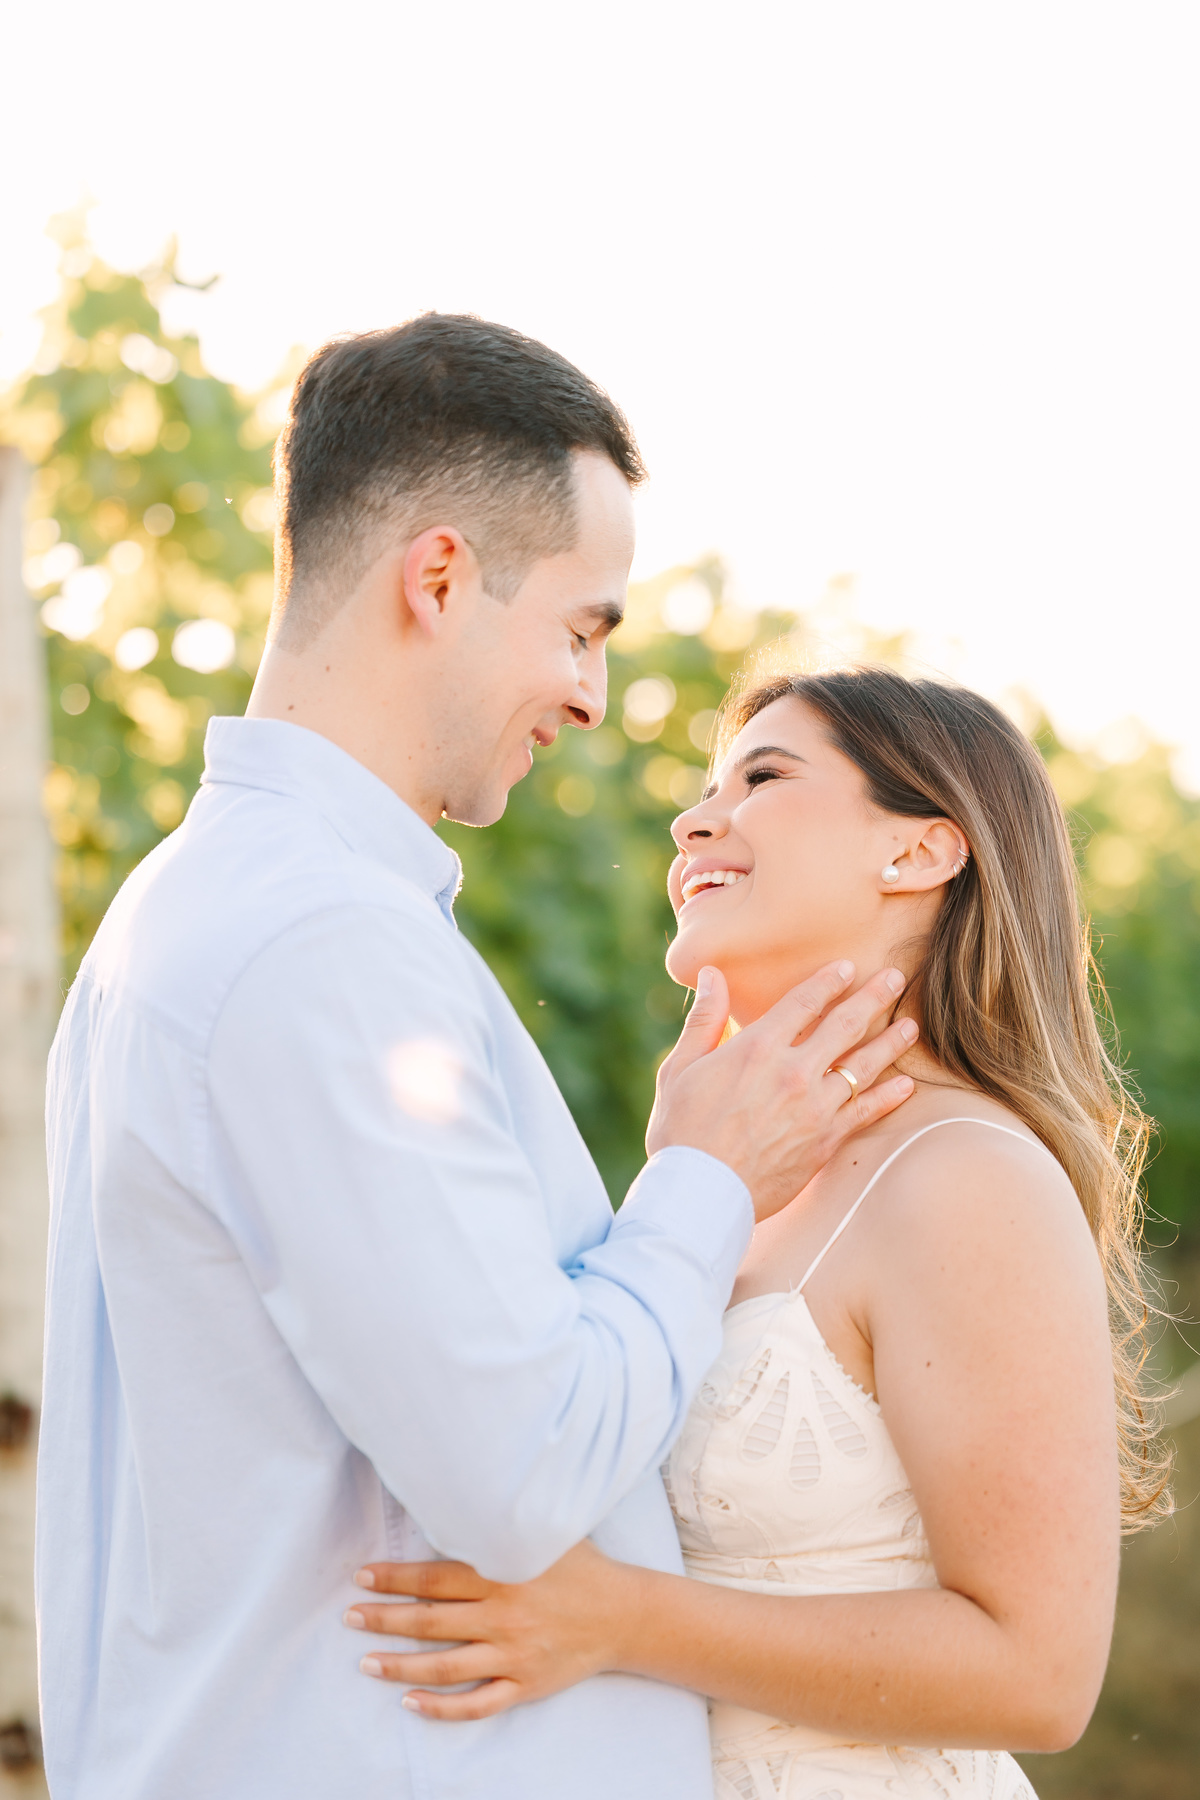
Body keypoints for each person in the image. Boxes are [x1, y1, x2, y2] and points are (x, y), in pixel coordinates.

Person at [36, 317, 918, 1800]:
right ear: (440, 578)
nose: (589, 696)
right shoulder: (319, 945)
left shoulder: (201, 910)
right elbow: (522, 1475)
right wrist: (701, 1182)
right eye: (582, 628)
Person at [342, 665, 1172, 1800]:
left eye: (761, 778)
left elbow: (1040, 1673)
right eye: (705, 789)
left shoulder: (968, 1175)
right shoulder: (731, 1176)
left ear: (920, 853)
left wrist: (620, 1622)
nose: (693, 819)